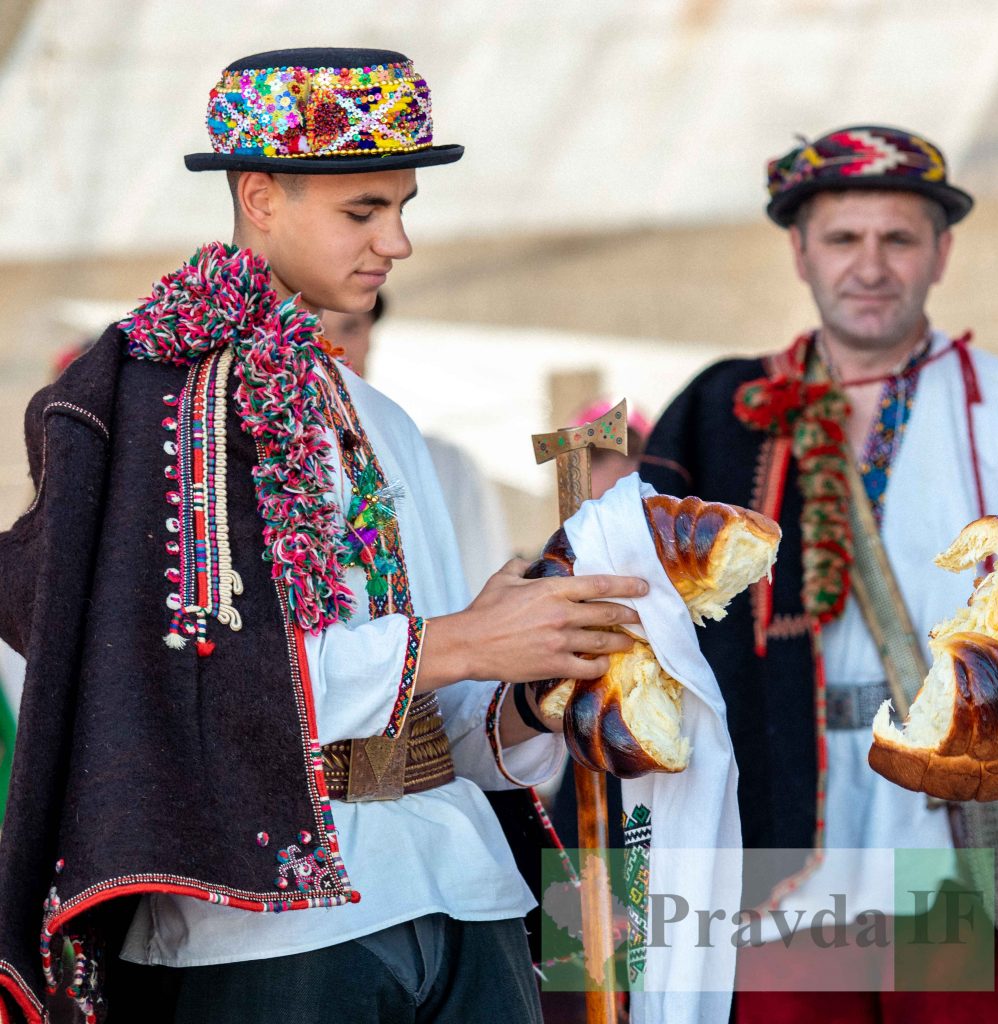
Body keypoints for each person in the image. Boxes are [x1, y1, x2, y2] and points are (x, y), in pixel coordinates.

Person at [0, 48, 649, 1023]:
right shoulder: (147, 396)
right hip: (267, 923)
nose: (399, 241)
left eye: (404, 205)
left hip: (463, 891)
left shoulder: (382, 421)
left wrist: (543, 680)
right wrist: (463, 639)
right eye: (363, 210)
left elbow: (450, 728)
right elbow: (163, 678)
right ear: (258, 196)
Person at [639, 125, 998, 1022]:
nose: (870, 265)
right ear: (799, 251)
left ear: (941, 252)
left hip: (958, 822)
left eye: (898, 238)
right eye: (843, 238)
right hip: (779, 819)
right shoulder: (727, 412)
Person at [323, 293, 513, 590]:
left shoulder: (446, 465)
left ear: (372, 335)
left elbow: (485, 582)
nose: (333, 349)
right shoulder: (272, 462)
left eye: (350, 328)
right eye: (315, 331)